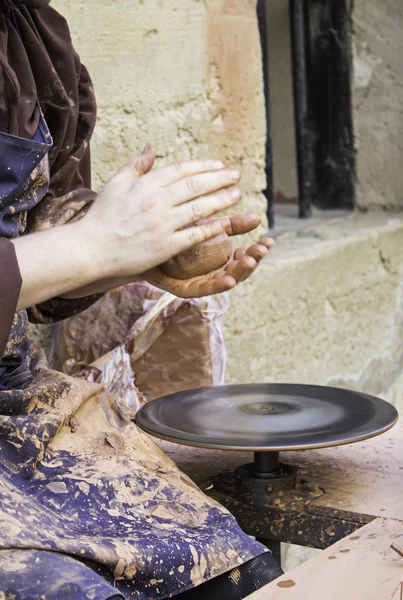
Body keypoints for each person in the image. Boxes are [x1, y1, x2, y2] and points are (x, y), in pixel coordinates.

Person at [0, 1, 282, 598]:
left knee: (234, 572)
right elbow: (74, 249)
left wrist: (135, 252)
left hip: (13, 402)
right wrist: (96, 245)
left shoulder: (31, 33)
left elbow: (30, 243)